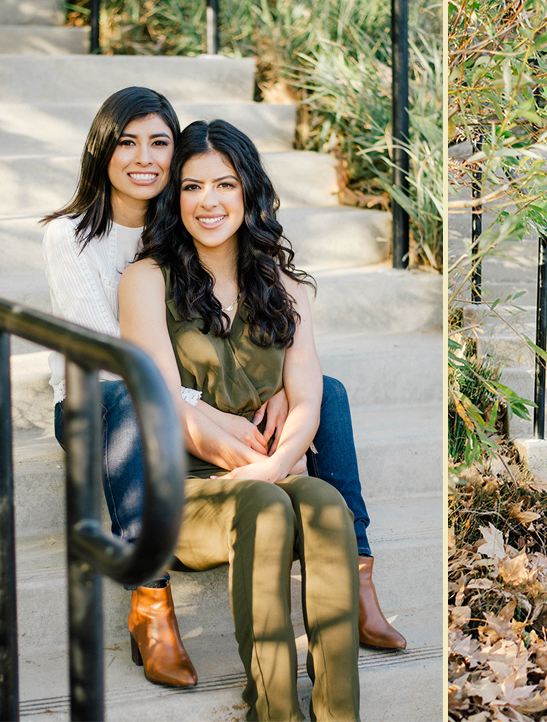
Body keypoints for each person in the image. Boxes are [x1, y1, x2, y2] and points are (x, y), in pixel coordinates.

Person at [41, 87, 403, 686]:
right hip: (101, 397)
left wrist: (282, 388)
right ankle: (150, 600)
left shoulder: (178, 224)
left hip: (172, 393)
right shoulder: (73, 237)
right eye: (127, 143)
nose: (145, 158)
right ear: (102, 151)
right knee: (129, 400)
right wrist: (215, 423)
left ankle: (358, 574)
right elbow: (120, 360)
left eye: (160, 143)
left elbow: (250, 326)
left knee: (327, 391)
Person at [119, 118, 360, 719]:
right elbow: (168, 408)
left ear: (248, 192)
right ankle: (272, 707)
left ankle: (338, 709)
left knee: (326, 505)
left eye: (224, 185)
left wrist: (279, 463)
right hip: (185, 491)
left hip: (265, 473)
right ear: (175, 199)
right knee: (265, 505)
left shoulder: (285, 286)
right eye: (192, 187)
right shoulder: (146, 281)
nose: (209, 202)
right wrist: (265, 473)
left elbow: (307, 399)